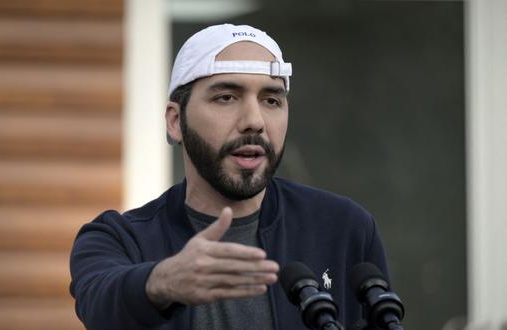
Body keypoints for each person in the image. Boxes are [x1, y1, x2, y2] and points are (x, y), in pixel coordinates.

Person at [69, 23, 390, 330]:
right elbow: (100, 306)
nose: (254, 121)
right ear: (175, 121)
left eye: (271, 100)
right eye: (226, 97)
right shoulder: (118, 239)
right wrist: (163, 281)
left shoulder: (344, 227)